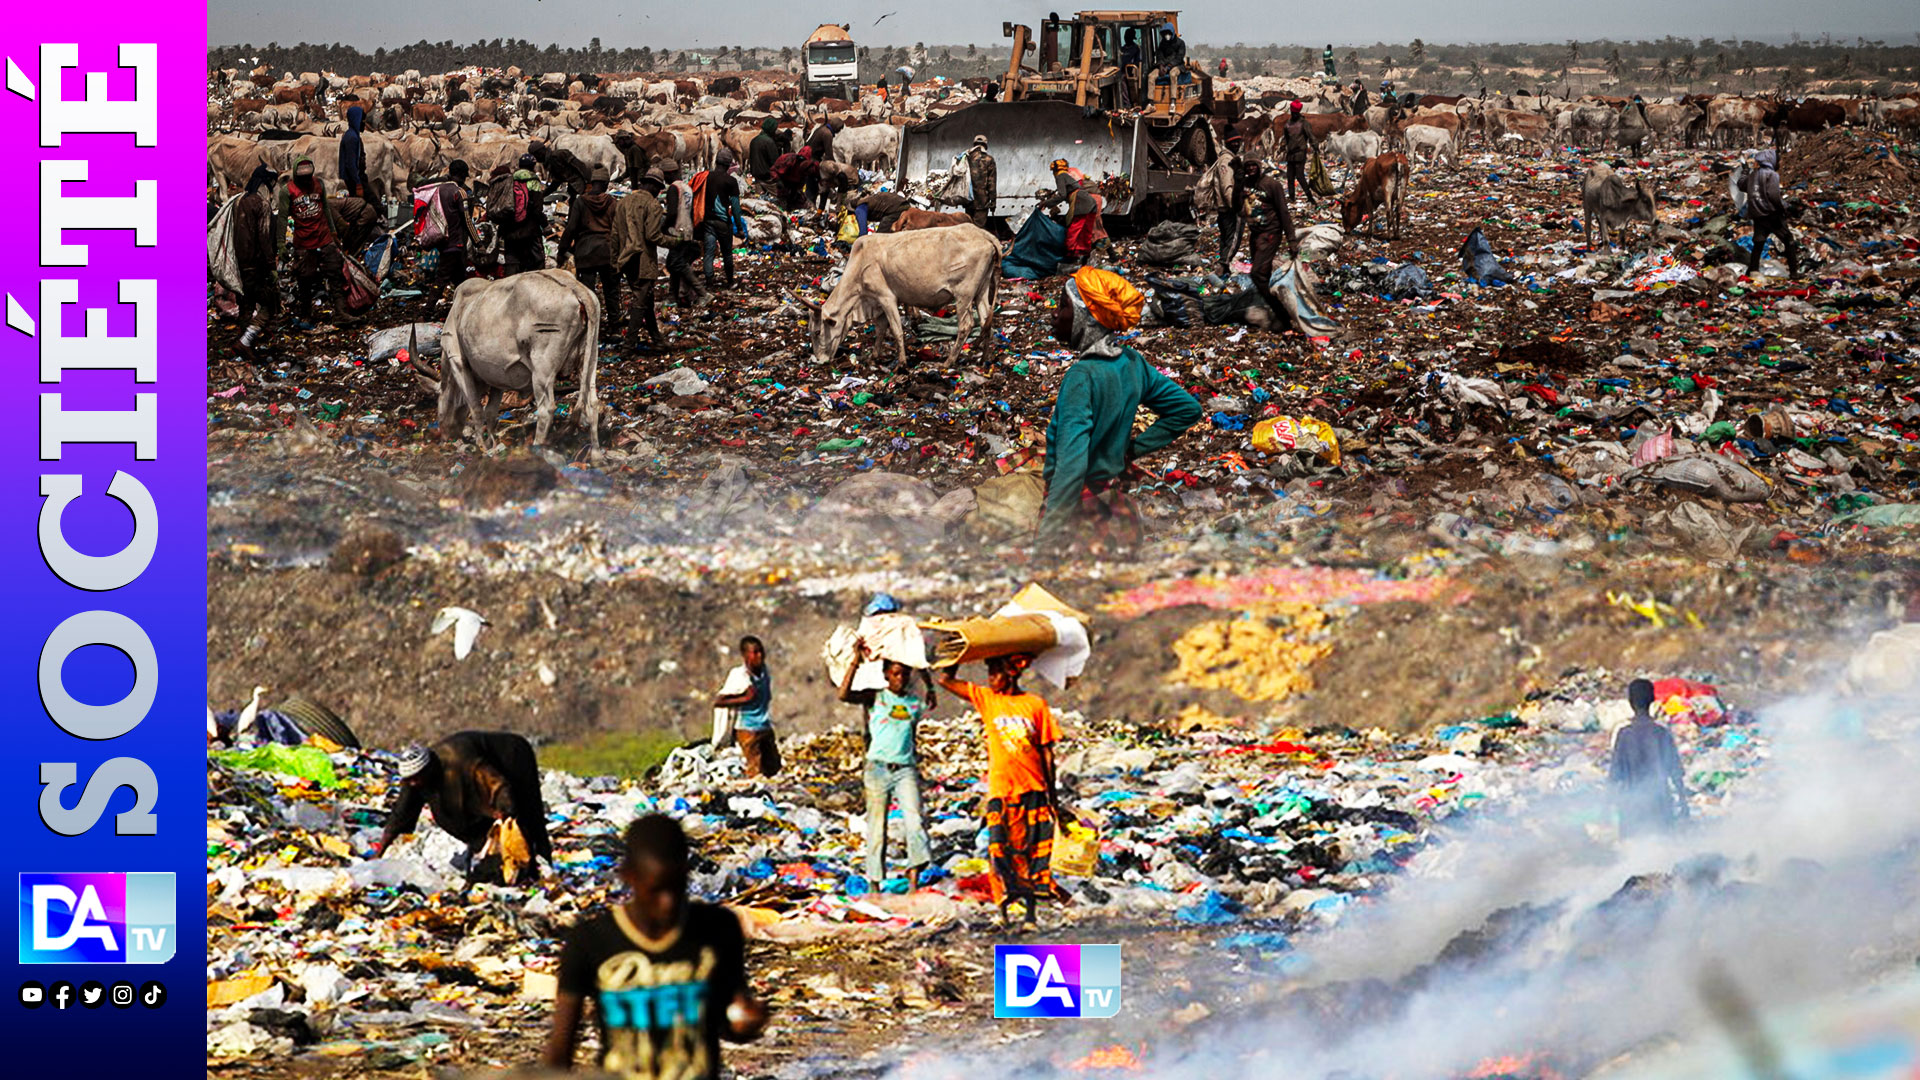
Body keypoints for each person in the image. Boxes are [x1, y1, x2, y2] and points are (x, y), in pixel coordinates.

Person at [543, 814, 768, 1079]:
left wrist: (747, 1023)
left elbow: (728, 1023)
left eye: (676, 887)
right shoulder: (591, 941)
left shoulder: (717, 930)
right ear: (628, 876)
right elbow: (561, 1049)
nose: (667, 903)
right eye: (656, 890)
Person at [1038, 266, 1202, 544]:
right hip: (1108, 497)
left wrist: (1046, 541)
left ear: (1086, 318)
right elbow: (1187, 409)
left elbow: (1071, 468)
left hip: (1075, 507)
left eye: (1063, 306)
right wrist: (1129, 451)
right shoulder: (1132, 363)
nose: (1055, 314)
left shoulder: (1081, 377)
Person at [939, 654, 1064, 926]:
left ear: (1012, 673)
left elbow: (1047, 753)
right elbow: (945, 680)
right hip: (1000, 790)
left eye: (996, 673)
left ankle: (1030, 915)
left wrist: (1052, 797)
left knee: (1030, 854)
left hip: (1032, 787)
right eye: (990, 673)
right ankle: (1003, 913)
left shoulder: (1035, 704)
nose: (991, 679)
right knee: (998, 850)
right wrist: (959, 652)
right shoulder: (988, 699)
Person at [374, 731, 554, 881]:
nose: (414, 784)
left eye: (417, 779)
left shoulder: (462, 762)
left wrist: (506, 811)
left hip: (512, 758)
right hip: (471, 786)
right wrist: (378, 855)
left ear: (430, 769)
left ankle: (540, 868)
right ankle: (494, 864)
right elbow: (400, 815)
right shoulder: (414, 780)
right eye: (410, 781)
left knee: (527, 816)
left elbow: (498, 785)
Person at [838, 638, 933, 890]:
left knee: (915, 822)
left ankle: (913, 881)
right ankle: (875, 884)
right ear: (886, 675)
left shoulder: (914, 704)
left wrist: (930, 685)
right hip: (877, 769)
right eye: (895, 674)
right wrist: (855, 660)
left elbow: (910, 735)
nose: (900, 679)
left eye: (904, 674)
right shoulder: (875, 698)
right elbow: (844, 694)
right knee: (877, 828)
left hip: (905, 770)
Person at [1609, 679, 1689, 838]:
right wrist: (1683, 803)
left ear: (1630, 702)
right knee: (1662, 847)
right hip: (1660, 805)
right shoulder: (1661, 733)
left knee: (1635, 849)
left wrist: (1607, 807)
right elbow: (1676, 773)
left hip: (1631, 807)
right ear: (1652, 700)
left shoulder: (1624, 734)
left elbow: (1615, 776)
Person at [277, 156, 347, 323]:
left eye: (308, 176)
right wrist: (281, 244)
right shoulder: (287, 191)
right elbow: (282, 218)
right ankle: (306, 314)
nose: (306, 181)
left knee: (335, 272)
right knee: (304, 279)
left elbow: (326, 209)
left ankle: (341, 312)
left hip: (324, 236)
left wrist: (333, 232)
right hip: (303, 241)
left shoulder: (319, 184)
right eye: (303, 177)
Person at [1232, 155, 1301, 320]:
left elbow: (1283, 212)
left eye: (1253, 165)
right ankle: (1276, 308)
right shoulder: (1245, 184)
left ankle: (1282, 314)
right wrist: (1237, 184)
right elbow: (1235, 206)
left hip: (1270, 233)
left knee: (1257, 274)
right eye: (1248, 166)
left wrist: (1291, 240)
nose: (1251, 168)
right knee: (1263, 273)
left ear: (1259, 166)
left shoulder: (1272, 185)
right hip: (1255, 234)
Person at [613, 165, 671, 353]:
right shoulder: (653, 205)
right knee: (640, 302)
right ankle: (628, 345)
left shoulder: (623, 202)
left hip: (626, 258)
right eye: (659, 188)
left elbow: (614, 235)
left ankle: (657, 339)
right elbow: (653, 236)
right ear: (653, 186)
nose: (659, 192)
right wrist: (676, 242)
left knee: (646, 299)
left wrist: (615, 261)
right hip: (643, 261)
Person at [557, 164, 621, 331]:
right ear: (606, 184)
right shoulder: (612, 203)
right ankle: (615, 328)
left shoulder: (580, 202)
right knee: (611, 292)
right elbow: (619, 229)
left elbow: (571, 228)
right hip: (607, 251)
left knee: (587, 294)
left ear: (592, 183)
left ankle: (590, 328)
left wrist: (562, 250)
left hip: (585, 253)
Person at [230, 166, 281, 363]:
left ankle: (244, 345)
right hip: (256, 265)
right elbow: (264, 238)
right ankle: (245, 341)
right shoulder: (262, 204)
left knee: (246, 304)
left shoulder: (237, 201)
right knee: (270, 304)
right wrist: (271, 267)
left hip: (238, 264)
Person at [714, 635, 779, 778]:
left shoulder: (764, 671)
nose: (759, 656)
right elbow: (719, 701)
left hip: (764, 726)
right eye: (755, 652)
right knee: (755, 770)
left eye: (761, 651)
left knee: (773, 768)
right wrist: (745, 697)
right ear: (745, 655)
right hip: (747, 729)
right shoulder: (739, 675)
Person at [1744, 149, 1801, 279]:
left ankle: (1752, 270)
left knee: (1759, 242)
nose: (1778, 163)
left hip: (1757, 214)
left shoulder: (1753, 175)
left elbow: (1742, 185)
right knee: (1788, 239)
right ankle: (1794, 273)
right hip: (1771, 214)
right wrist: (1784, 208)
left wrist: (1745, 172)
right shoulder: (1772, 175)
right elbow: (1774, 196)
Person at [1039, 159, 1106, 268]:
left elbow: (1062, 195)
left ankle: (1070, 258)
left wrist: (1046, 203)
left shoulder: (1060, 176)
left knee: (1074, 229)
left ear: (1055, 170)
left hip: (1081, 202)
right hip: (1090, 202)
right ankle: (1084, 257)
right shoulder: (1067, 176)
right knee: (1085, 231)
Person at [660, 160, 706, 310]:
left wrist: (664, 228)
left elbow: (672, 213)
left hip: (677, 231)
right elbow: (691, 211)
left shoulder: (673, 188)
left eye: (665, 175)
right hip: (687, 229)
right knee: (675, 263)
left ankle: (702, 293)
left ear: (670, 173)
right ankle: (673, 296)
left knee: (676, 263)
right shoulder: (687, 187)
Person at [491, 158, 547, 276]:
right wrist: (545, 225)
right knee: (538, 262)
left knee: (512, 261)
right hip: (530, 231)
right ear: (533, 167)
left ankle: (510, 283)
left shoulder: (510, 180)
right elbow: (537, 209)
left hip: (509, 231)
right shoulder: (533, 181)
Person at [427, 159, 476, 287]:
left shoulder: (438, 190)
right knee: (442, 278)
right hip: (455, 242)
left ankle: (461, 296)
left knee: (459, 277)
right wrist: (477, 242)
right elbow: (467, 220)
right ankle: (432, 300)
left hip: (442, 240)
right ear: (462, 176)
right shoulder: (460, 192)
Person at [700, 151, 744, 292]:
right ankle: (730, 281)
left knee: (709, 253)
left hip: (708, 221)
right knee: (727, 254)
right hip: (723, 222)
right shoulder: (730, 181)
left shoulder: (706, 177)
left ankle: (709, 283)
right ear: (728, 165)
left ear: (716, 162)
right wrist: (739, 227)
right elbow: (735, 207)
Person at [1280, 101, 1319, 205]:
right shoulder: (1288, 124)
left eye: (1295, 113)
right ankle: (1291, 197)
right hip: (1290, 154)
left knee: (1300, 176)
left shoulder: (1304, 123)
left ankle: (1310, 197)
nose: (1294, 115)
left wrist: (1315, 146)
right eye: (1293, 113)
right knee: (1290, 177)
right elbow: (1286, 138)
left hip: (1300, 153)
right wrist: (1282, 146)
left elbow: (1311, 136)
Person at [771, 145, 819, 213]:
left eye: (803, 160)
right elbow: (773, 170)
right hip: (783, 182)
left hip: (795, 185)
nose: (800, 161)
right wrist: (778, 180)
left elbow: (803, 179)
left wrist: (797, 189)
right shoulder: (787, 158)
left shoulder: (808, 166)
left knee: (800, 202)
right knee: (782, 203)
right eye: (800, 159)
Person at [964, 134, 997, 228]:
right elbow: (991, 183)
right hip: (982, 201)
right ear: (985, 145)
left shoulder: (967, 158)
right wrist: (993, 201)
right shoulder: (989, 159)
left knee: (968, 227)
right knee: (979, 228)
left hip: (968, 200)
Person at [339, 104, 370, 200]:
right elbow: (350, 163)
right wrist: (358, 183)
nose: (364, 124)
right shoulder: (352, 138)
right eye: (362, 121)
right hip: (354, 178)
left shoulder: (353, 135)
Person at [747, 116, 784, 186]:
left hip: (756, 175)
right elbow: (775, 162)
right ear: (771, 130)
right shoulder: (769, 142)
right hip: (767, 177)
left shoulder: (754, 140)